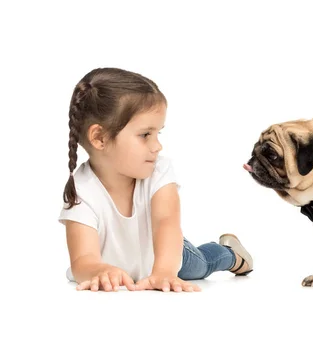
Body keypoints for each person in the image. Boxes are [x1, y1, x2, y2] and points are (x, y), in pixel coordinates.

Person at [58, 67, 253, 292]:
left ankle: (231, 254)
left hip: (165, 257)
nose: (157, 146)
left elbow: (166, 223)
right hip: (134, 268)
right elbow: (83, 260)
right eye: (145, 135)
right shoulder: (81, 190)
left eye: (158, 133)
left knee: (201, 264)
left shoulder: (158, 172)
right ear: (100, 138)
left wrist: (164, 272)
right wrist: (98, 271)